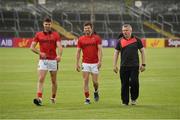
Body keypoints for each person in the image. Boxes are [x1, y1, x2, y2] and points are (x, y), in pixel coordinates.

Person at [30, 17, 63, 106]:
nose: (47, 26)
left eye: (49, 24)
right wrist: (40, 52)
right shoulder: (38, 35)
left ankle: (53, 97)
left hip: (53, 60)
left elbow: (59, 46)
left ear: (51, 25)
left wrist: (59, 55)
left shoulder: (56, 35)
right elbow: (32, 47)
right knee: (41, 79)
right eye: (46, 24)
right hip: (43, 60)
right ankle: (39, 99)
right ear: (43, 24)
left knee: (53, 81)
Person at [113, 24, 146, 106]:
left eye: (126, 30)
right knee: (124, 84)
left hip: (134, 66)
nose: (125, 32)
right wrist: (114, 65)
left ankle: (134, 98)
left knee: (134, 82)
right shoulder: (120, 41)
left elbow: (142, 51)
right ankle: (125, 101)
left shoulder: (137, 40)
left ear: (131, 31)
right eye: (123, 30)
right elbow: (116, 53)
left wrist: (143, 64)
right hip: (123, 66)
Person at [76, 21, 103, 104]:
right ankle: (87, 98)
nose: (87, 29)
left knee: (95, 82)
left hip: (95, 63)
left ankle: (96, 91)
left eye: (88, 28)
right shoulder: (80, 39)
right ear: (83, 29)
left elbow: (100, 50)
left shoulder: (97, 38)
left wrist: (100, 61)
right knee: (85, 81)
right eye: (85, 28)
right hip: (85, 63)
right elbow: (78, 52)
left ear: (91, 29)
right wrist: (77, 63)